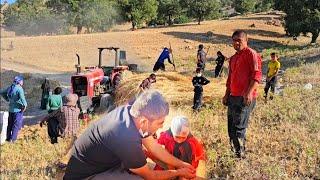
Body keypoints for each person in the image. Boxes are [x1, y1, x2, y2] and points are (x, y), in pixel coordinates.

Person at [64, 90, 196, 180]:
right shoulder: (126, 137)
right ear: (144, 121)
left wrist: (181, 164)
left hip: (97, 164)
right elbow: (149, 175)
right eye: (160, 122)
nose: (162, 126)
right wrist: (178, 172)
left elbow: (154, 148)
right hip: (86, 176)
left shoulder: (132, 112)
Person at [222, 30, 262, 158]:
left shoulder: (252, 54)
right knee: (231, 128)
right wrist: (226, 94)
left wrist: (249, 93)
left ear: (246, 40)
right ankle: (234, 153)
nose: (236, 43)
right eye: (234, 40)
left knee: (239, 128)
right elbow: (230, 79)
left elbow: (257, 76)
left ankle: (240, 156)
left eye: (239, 40)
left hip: (244, 98)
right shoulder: (233, 58)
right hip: (233, 97)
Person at [0, 75, 27, 142]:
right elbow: (23, 99)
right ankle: (13, 139)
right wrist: (25, 106)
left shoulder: (11, 87)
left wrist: (7, 99)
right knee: (16, 125)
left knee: (10, 124)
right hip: (18, 110)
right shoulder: (19, 89)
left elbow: (2, 92)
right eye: (22, 81)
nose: (22, 82)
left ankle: (8, 138)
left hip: (11, 109)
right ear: (20, 81)